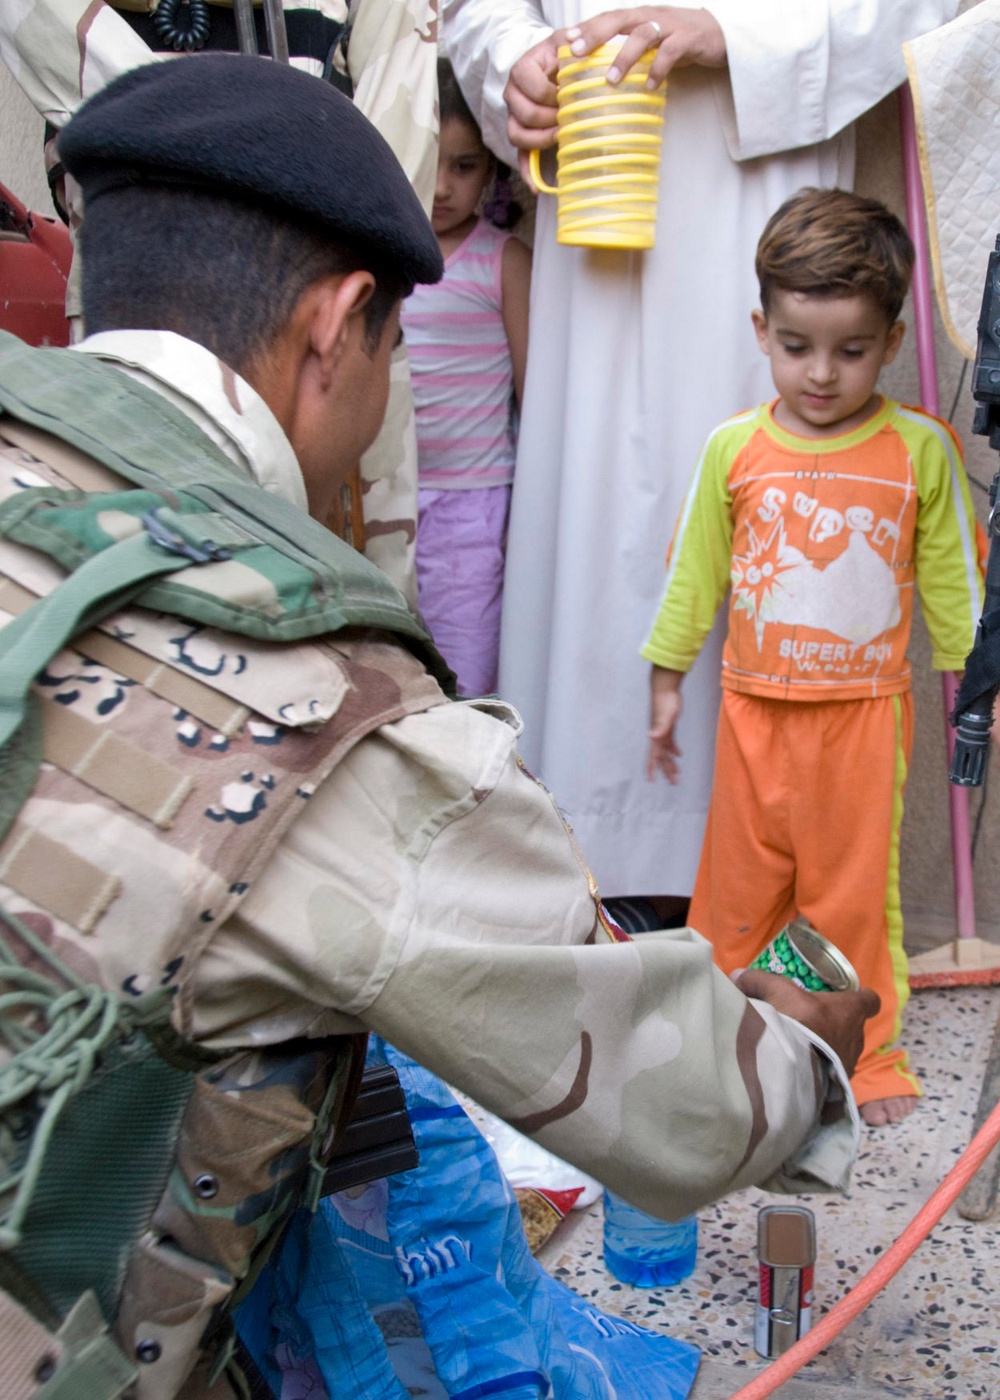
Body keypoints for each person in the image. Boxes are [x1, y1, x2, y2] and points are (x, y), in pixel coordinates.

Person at [0, 54, 879, 1399]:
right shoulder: (333, 730)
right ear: (338, 325)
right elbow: (681, 1107)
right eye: (397, 349)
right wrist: (808, 1056)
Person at [441, 0, 961, 915]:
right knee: (595, 521)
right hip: (591, 171)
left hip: (752, 178)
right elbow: (479, 10)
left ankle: (761, 904)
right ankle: (589, 879)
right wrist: (513, 60)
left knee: (767, 496)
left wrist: (735, 36)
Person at [642, 188, 982, 1129]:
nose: (823, 374)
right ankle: (720, 1037)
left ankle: (863, 1056)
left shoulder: (922, 452)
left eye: (853, 350)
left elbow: (953, 584)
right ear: (763, 328)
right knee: (737, 895)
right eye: (798, 347)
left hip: (866, 720)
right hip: (753, 715)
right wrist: (666, 682)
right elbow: (695, 578)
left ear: (894, 337)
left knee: (851, 898)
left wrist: (976, 691)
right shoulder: (734, 450)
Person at [0, 0, 438, 605]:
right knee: (128, 560)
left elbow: (393, 136)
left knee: (355, 600)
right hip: (157, 274)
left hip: (333, 300)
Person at [401, 58, 532, 696]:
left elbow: (534, 393)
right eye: (433, 160)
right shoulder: (381, 253)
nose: (444, 187)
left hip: (473, 507)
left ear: (493, 169)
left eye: (465, 166)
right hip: (387, 498)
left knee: (465, 680)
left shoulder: (503, 261)